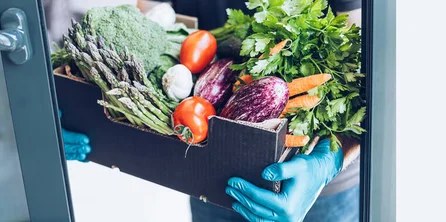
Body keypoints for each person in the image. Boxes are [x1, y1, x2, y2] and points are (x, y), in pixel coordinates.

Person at [52, 0, 362, 221]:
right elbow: (149, 12)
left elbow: (363, 72)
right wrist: (77, 99)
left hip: (312, 184)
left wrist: (328, 162)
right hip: (210, 169)